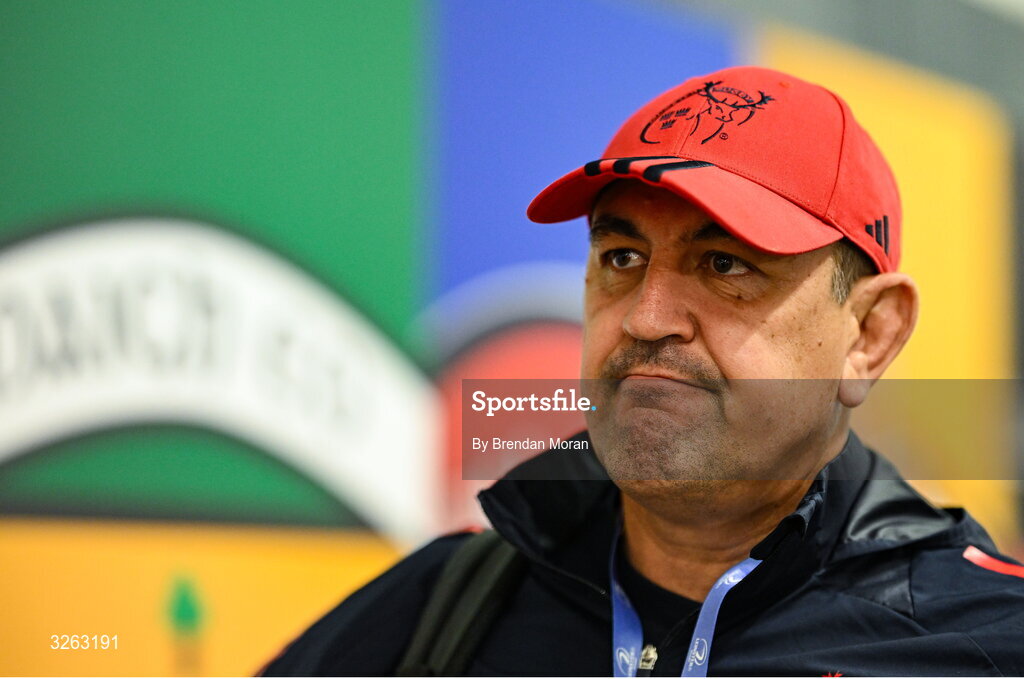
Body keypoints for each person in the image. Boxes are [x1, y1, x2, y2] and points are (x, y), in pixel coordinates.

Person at [262, 66, 1024, 676]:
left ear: (869, 333)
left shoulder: (985, 642)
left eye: (726, 264)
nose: (646, 316)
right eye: (621, 259)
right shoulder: (446, 609)